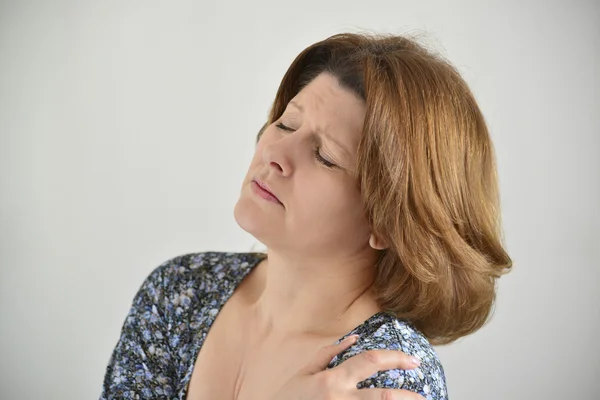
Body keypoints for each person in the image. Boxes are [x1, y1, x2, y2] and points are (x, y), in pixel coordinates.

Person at [100, 31, 512, 400]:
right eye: (286, 124)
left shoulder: (389, 379)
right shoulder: (178, 293)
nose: (274, 154)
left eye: (325, 156)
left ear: (387, 222)